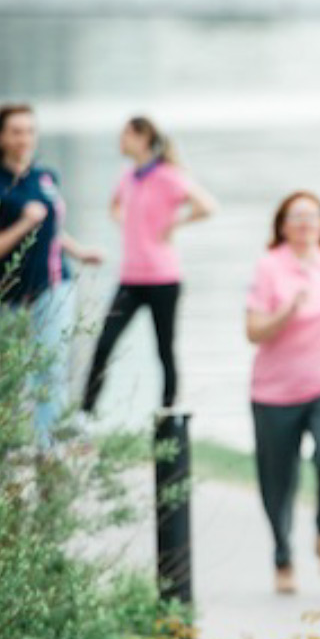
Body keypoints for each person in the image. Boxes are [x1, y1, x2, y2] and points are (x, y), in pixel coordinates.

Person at [0, 102, 103, 446]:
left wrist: (80, 252)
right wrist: (23, 224)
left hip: (54, 285)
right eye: (16, 132)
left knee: (51, 369)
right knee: (5, 378)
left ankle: (49, 452)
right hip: (6, 293)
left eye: (29, 131)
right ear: (0, 138)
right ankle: (1, 451)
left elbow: (51, 228)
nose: (24, 138)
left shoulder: (46, 178)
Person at [245, 191, 320, 594]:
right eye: (297, 216)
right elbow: (253, 331)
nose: (306, 223)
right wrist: (287, 312)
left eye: (313, 215)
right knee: (278, 482)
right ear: (283, 225)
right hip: (275, 389)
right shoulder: (269, 266)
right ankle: (283, 557)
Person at [81, 116, 217, 416]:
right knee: (104, 344)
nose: (120, 141)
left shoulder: (167, 175)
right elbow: (114, 206)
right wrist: (127, 223)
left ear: (143, 138)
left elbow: (207, 206)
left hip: (163, 278)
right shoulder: (127, 176)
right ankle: (84, 415)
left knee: (164, 349)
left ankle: (168, 416)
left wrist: (175, 224)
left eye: (126, 135)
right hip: (130, 279)